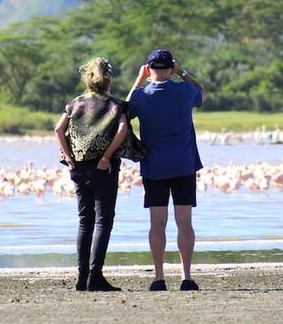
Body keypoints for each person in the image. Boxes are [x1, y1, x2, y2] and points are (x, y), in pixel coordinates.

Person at [127, 49, 205, 292]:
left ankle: (159, 278)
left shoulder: (141, 96)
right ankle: (186, 277)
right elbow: (201, 92)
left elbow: (124, 108)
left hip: (154, 168)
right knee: (185, 222)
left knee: (157, 223)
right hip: (183, 166)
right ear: (171, 69)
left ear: (149, 70)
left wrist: (139, 80)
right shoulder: (184, 91)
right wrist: (183, 72)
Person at [55, 57, 128, 292]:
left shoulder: (74, 104)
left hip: (78, 167)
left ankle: (81, 277)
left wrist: (68, 157)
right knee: (103, 221)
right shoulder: (115, 105)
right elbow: (123, 130)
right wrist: (107, 157)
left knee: (85, 221)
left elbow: (58, 129)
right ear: (107, 79)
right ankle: (95, 277)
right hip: (103, 168)